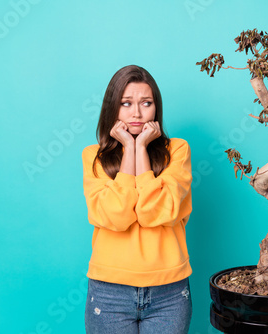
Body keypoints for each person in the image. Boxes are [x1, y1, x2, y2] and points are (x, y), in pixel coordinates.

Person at [82, 65, 193, 334]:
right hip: (109, 291)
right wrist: (129, 150)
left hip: (169, 290)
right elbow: (116, 217)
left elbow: (157, 212)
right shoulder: (93, 156)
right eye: (126, 103)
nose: (137, 113)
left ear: (156, 108)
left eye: (146, 103)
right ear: (112, 108)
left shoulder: (177, 150)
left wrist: (140, 147)